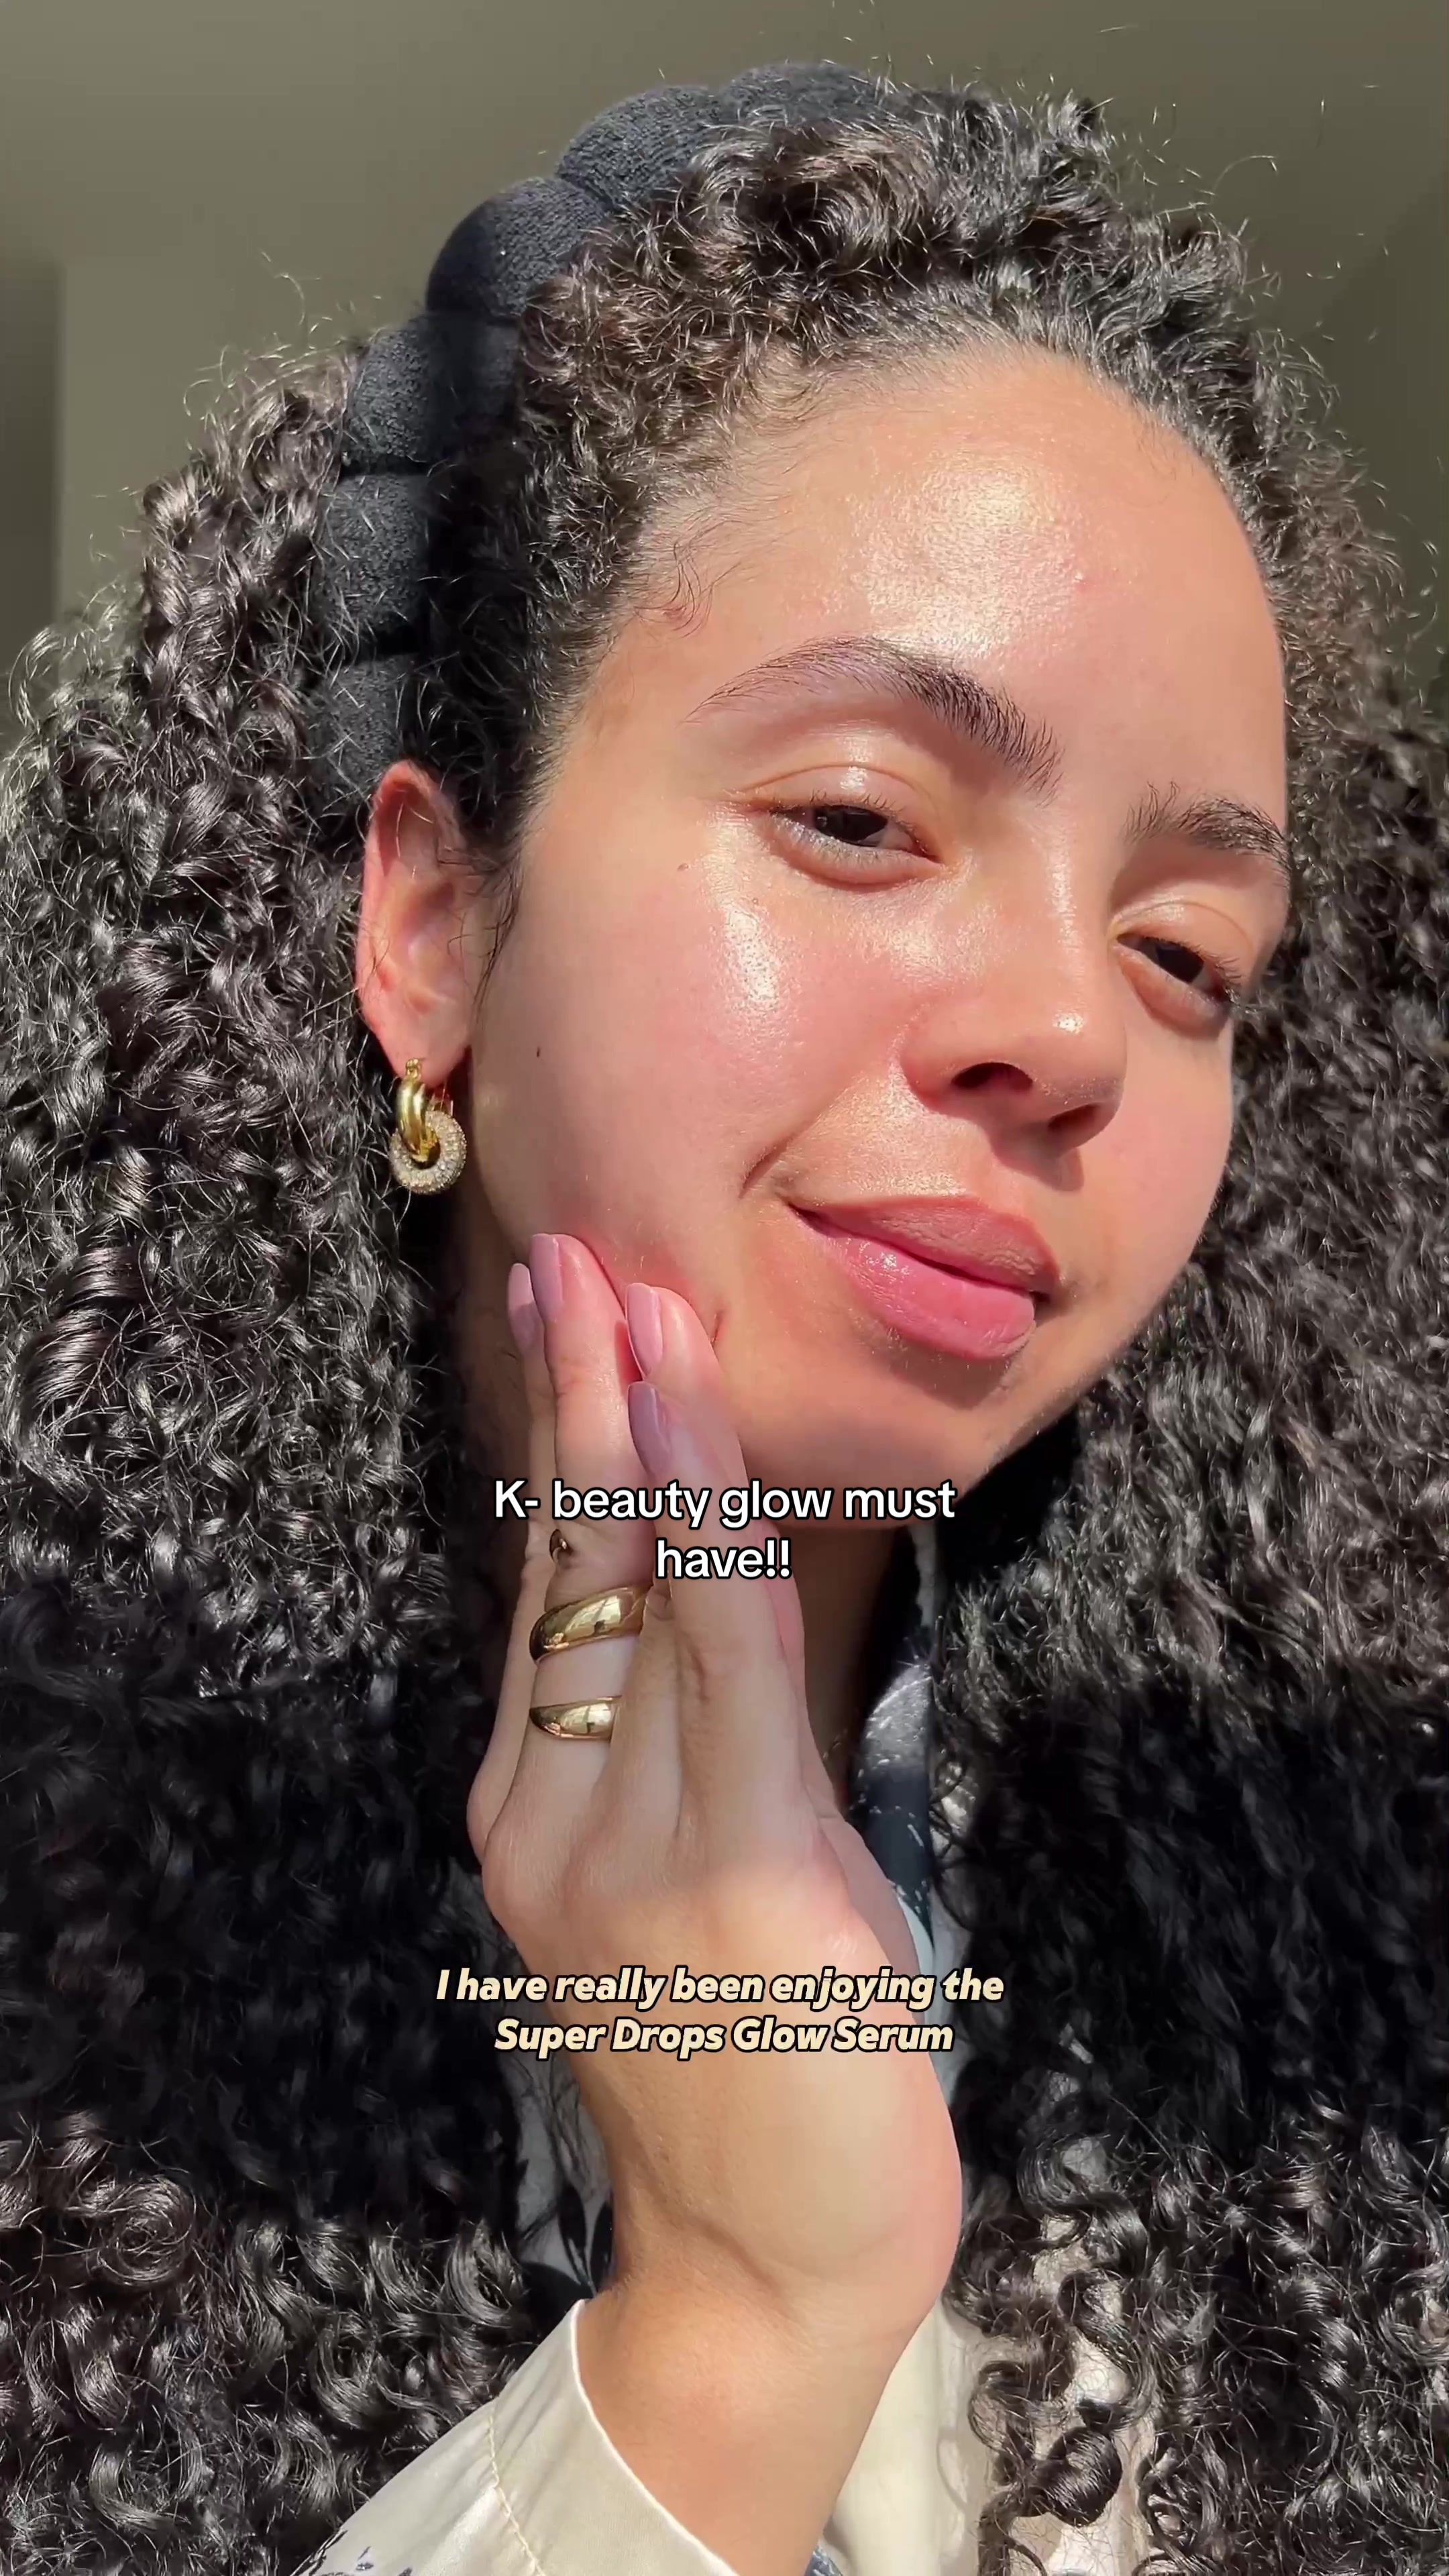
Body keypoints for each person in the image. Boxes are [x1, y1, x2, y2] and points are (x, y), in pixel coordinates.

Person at [0, 56, 1444, 2576]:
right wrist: (735, 2346)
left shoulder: (1350, 1964)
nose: (1073, 1032)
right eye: (862, 819)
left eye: (1187, 953)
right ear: (431, 926)